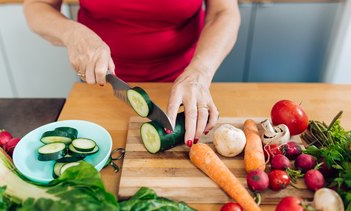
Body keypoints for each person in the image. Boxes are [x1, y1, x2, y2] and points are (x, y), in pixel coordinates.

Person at [23, 0, 240, 147]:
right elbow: (37, 6)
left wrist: (199, 72)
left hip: (186, 82)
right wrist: (72, 33)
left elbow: (224, 12)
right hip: (101, 82)